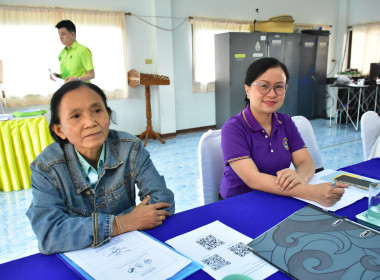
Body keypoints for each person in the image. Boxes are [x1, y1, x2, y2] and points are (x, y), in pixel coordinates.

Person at [26, 81, 174, 254]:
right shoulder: (45, 168)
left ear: (108, 115)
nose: (90, 122)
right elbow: (49, 235)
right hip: (79, 258)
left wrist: (92, 230)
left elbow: (162, 199)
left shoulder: (130, 147)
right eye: (75, 116)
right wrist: (125, 222)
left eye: (97, 111)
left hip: (130, 249)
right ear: (60, 130)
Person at [220, 57, 347, 207]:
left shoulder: (285, 122)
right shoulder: (234, 128)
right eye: (263, 86)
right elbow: (253, 179)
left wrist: (299, 178)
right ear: (247, 89)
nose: (272, 94)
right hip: (240, 203)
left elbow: (305, 162)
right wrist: (311, 192)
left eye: (279, 87)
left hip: (278, 196)